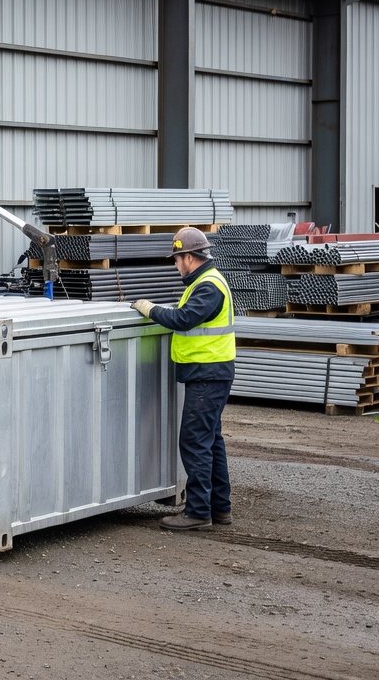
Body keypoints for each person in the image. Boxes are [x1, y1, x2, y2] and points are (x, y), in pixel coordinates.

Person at [130, 227, 234, 531]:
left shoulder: (208, 286)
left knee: (194, 442)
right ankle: (220, 509)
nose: (176, 265)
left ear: (189, 257)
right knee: (211, 441)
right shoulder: (205, 282)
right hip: (209, 373)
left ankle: (199, 513)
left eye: (177, 259)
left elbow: (183, 319)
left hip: (208, 374)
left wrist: (149, 309)